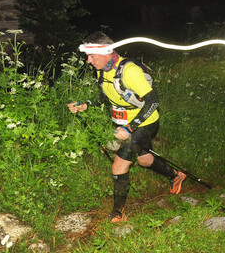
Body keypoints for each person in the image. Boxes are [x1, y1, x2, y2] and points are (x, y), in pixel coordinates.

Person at [67, 31, 186, 223]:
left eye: (91, 56)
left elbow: (153, 102)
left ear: (106, 52)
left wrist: (130, 128)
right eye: (87, 56)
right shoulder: (102, 70)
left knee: (119, 166)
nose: (88, 61)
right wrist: (85, 104)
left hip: (144, 122)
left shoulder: (129, 71)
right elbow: (105, 96)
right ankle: (176, 175)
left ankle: (118, 213)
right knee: (145, 160)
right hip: (125, 123)